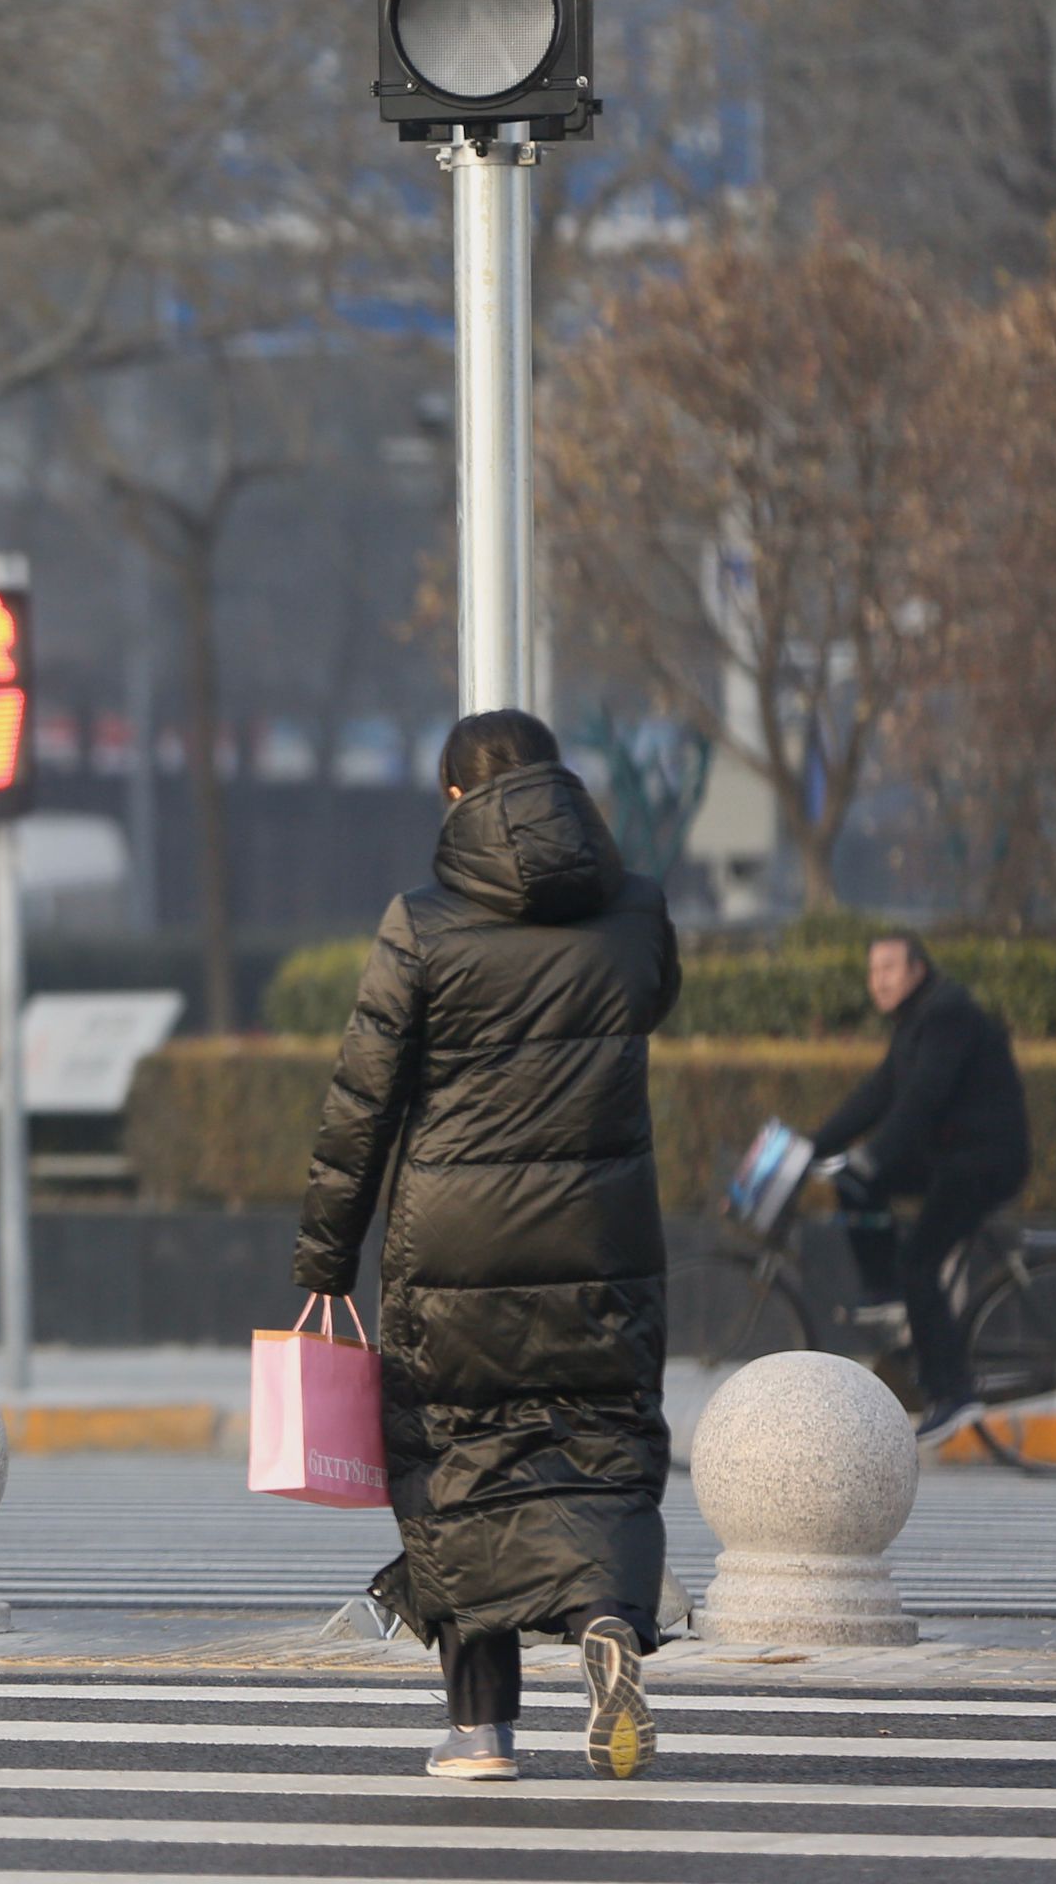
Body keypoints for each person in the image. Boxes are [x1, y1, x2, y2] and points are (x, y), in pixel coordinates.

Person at [293, 709, 681, 1785]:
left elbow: (358, 1107)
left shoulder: (422, 924)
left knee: (462, 1464)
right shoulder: (637, 912)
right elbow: (651, 999)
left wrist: (325, 1259)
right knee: (600, 1444)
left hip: (451, 1251)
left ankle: (481, 1731)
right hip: (605, 1242)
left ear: (458, 800)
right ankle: (606, 1620)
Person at [809, 932, 1030, 1444]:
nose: (878, 981)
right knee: (854, 1180)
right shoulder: (915, 1021)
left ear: (918, 970)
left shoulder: (946, 1014)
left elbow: (922, 1099)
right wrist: (814, 1145)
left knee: (919, 1263)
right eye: (872, 971)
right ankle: (887, 1291)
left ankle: (953, 1394)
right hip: (952, 1159)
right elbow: (878, 1093)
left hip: (982, 1162)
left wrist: (874, 1154)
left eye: (888, 967)